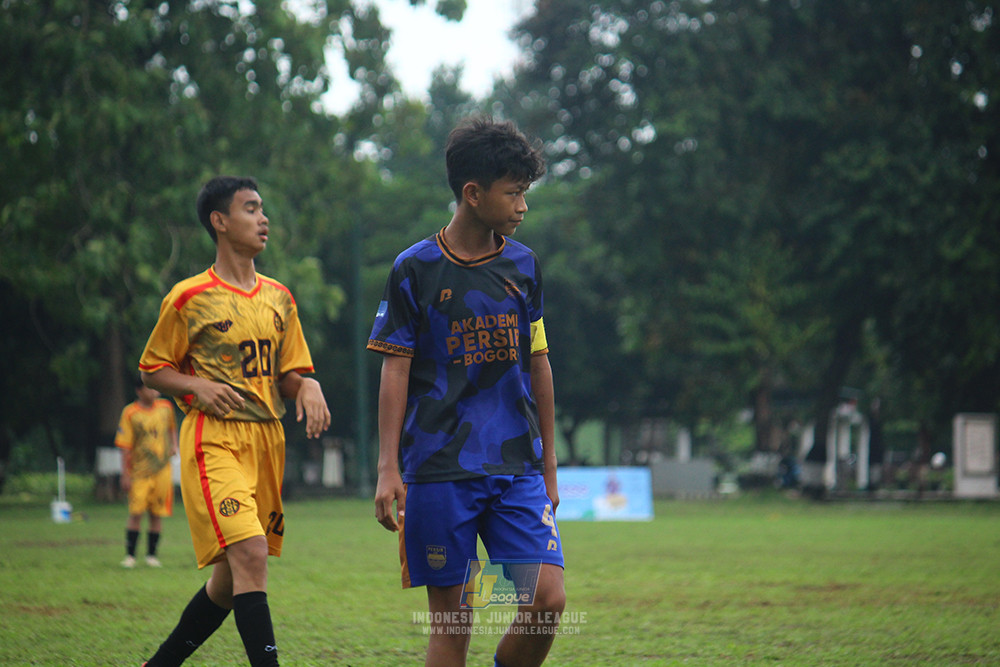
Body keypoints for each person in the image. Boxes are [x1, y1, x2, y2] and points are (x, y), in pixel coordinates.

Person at [369, 117, 566, 667]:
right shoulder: (414, 269)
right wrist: (389, 467)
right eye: (514, 192)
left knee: (548, 600)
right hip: (437, 472)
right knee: (453, 626)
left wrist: (550, 466)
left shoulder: (524, 267)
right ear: (473, 194)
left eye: (526, 191)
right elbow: (394, 370)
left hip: (516, 470)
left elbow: (541, 367)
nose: (523, 205)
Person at [137, 176, 330, 667]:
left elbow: (289, 375)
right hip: (214, 439)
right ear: (219, 222)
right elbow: (153, 369)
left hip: (267, 440)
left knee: (229, 581)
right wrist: (196, 386)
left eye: (262, 208)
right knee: (250, 553)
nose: (263, 218)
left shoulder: (279, 298)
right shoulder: (188, 297)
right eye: (250, 209)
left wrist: (308, 385)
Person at [116, 376, 179, 568]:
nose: (155, 392)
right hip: (139, 473)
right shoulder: (130, 413)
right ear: (139, 391)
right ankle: (130, 556)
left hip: (161, 470)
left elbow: (171, 429)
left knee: (156, 513)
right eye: (150, 388)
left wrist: (174, 445)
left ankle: (152, 555)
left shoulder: (166, 407)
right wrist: (125, 474)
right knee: (136, 513)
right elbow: (124, 446)